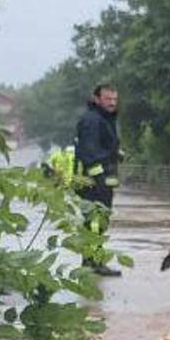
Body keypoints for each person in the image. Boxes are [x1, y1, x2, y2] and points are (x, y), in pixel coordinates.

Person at [73, 84, 123, 276]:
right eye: (108, 99)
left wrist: (115, 153)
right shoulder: (92, 120)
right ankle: (94, 262)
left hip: (100, 180)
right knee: (95, 222)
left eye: (114, 99)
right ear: (96, 99)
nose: (112, 103)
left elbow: (101, 147)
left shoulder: (103, 118)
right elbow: (89, 152)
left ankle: (91, 261)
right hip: (94, 183)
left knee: (98, 222)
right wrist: (98, 178)